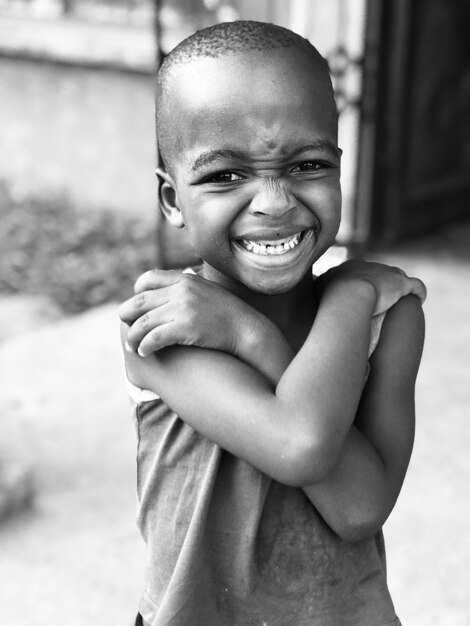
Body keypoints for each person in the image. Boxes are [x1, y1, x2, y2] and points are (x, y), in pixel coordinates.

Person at [119, 20, 426, 626]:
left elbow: (361, 506)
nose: (274, 202)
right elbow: (300, 443)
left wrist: (342, 304)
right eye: (224, 176)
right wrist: (345, 294)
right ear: (173, 200)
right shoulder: (165, 326)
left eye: (308, 164)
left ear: (340, 164)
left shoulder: (390, 321)